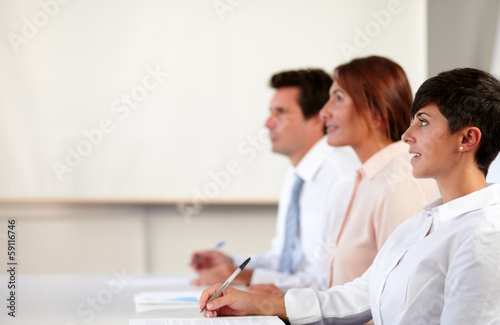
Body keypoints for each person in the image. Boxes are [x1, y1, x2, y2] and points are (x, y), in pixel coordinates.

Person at [199, 67, 500, 324]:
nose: (406, 135)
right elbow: (363, 294)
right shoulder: (424, 222)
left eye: (422, 122)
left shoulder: (483, 236)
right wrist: (260, 304)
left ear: (467, 138)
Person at [249, 56, 439, 297]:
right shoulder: (359, 181)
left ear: (375, 113)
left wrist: (285, 303)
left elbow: (400, 296)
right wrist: (277, 294)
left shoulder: (401, 183)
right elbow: (330, 280)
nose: (325, 112)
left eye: (338, 99)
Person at [190, 69, 361, 291]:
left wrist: (247, 277)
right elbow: (285, 259)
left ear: (318, 119)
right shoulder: (296, 174)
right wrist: (232, 264)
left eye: (281, 113)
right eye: (271, 112)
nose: (268, 123)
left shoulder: (342, 180)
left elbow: (330, 282)